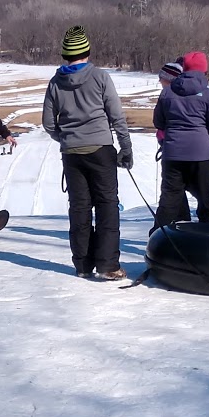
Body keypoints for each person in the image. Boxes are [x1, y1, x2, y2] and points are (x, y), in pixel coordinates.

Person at [41, 25, 133, 280]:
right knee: (106, 205)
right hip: (101, 150)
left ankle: (82, 265)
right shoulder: (101, 77)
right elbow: (116, 116)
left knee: (79, 208)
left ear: (65, 55)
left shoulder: (55, 83)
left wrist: (67, 138)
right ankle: (108, 265)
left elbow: (49, 123)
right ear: (88, 51)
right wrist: (126, 148)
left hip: (72, 153)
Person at [152, 51, 209, 228]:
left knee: (169, 198)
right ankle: (207, 236)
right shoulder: (208, 95)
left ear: (184, 69)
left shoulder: (167, 93)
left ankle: (158, 238)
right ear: (204, 71)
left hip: (173, 153)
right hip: (201, 154)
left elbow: (158, 122)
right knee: (205, 198)